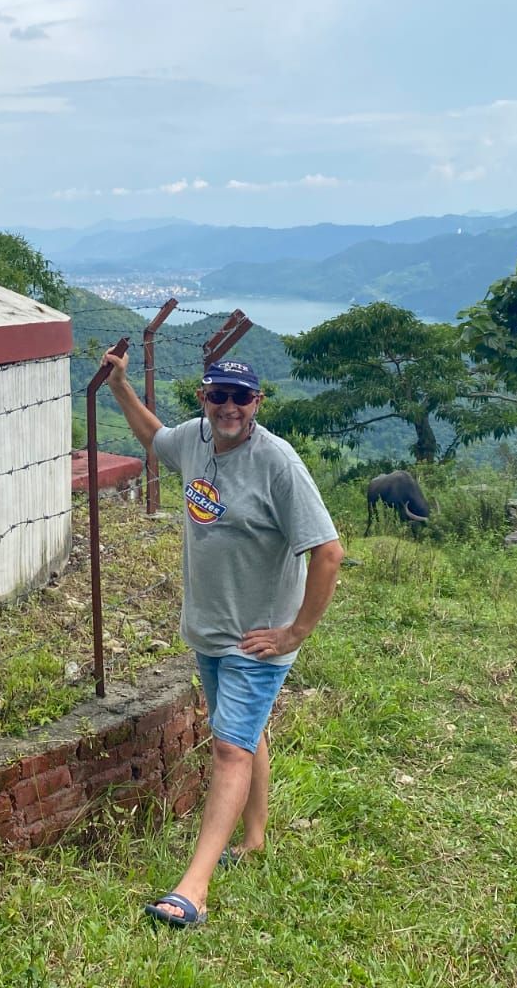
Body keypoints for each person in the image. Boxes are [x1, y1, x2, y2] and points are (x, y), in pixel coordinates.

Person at [102, 352, 344, 929]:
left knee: (228, 748)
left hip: (257, 641)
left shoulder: (277, 463)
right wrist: (119, 387)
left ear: (258, 403)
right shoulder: (194, 440)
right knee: (244, 732)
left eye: (242, 398)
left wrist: (295, 632)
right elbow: (154, 437)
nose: (230, 408)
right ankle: (255, 839)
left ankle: (194, 887)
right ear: (204, 400)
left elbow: (328, 552)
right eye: (219, 396)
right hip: (208, 629)